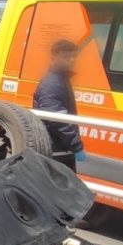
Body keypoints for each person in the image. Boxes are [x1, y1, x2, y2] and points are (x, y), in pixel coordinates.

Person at [32, 39, 83, 170]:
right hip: (56, 148)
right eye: (66, 57)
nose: (71, 60)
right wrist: (76, 146)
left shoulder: (60, 79)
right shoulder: (52, 83)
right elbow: (57, 119)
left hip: (59, 147)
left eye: (73, 56)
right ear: (54, 57)